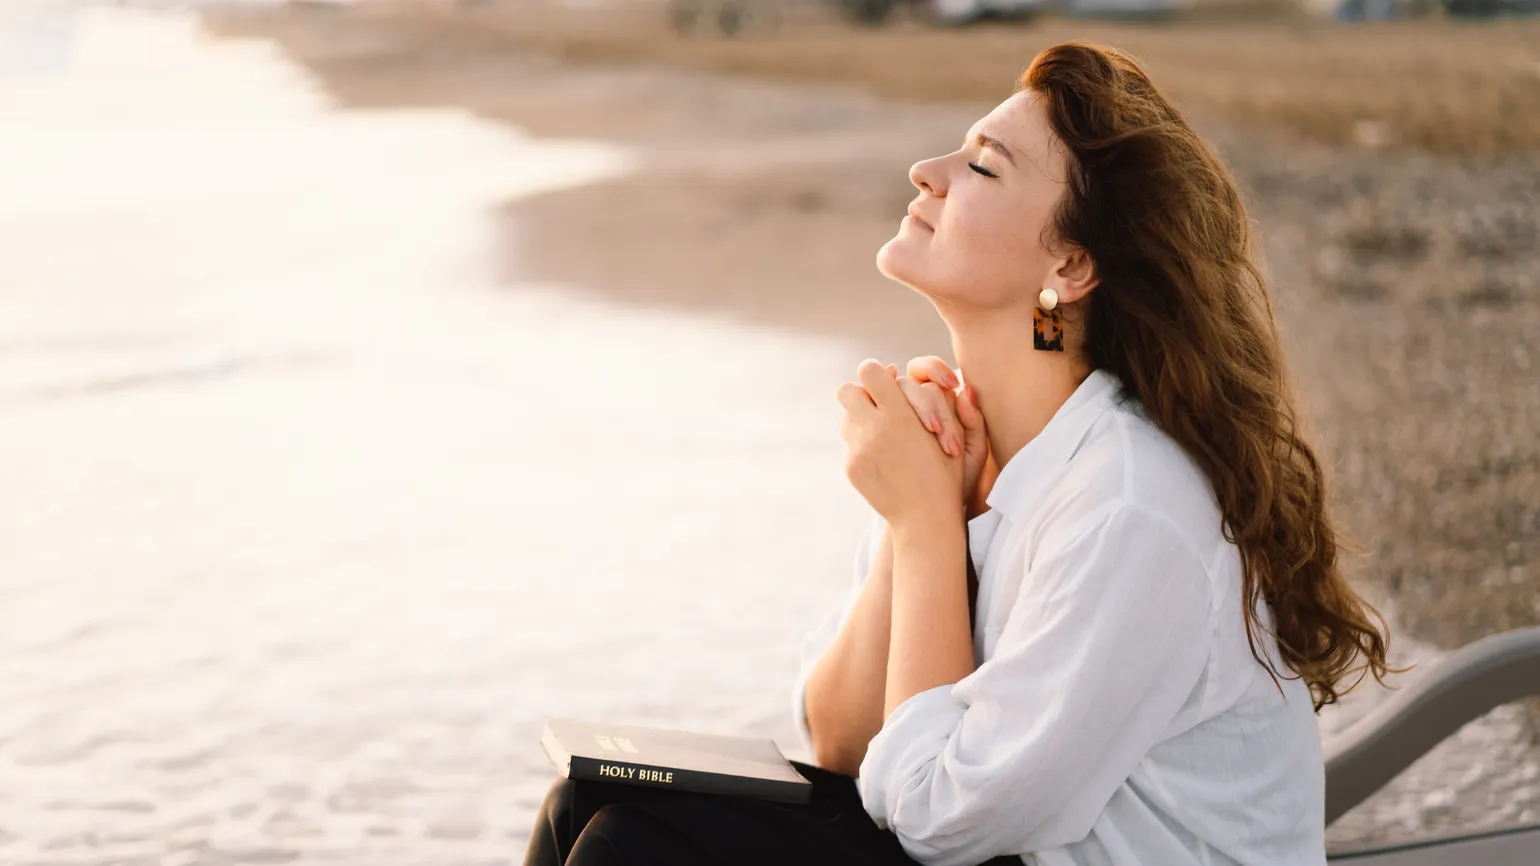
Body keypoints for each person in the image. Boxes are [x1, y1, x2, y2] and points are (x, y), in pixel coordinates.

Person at [521, 41, 1394, 866]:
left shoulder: (1129, 503)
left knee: (627, 848)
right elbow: (845, 744)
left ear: (1072, 263)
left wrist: (929, 524)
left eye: (979, 166)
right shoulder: (967, 445)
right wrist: (915, 528)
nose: (926, 173)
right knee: (584, 803)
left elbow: (942, 822)